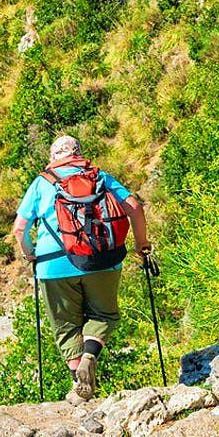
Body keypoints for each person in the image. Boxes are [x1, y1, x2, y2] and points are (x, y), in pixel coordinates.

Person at [13, 134, 150, 403]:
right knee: (103, 315)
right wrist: (141, 245)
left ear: (53, 157)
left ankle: (79, 386)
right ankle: (90, 355)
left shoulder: (42, 183)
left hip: (54, 265)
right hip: (103, 260)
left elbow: (19, 229)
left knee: (65, 326)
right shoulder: (100, 177)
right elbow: (135, 208)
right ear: (78, 153)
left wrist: (30, 254)